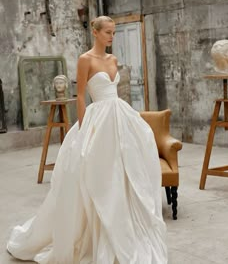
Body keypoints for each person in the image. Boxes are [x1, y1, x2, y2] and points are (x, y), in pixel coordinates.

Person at [7, 16, 168, 263]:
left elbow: (115, 91)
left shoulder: (113, 59)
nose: (112, 37)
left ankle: (124, 226)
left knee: (125, 170)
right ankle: (94, 230)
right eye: (108, 33)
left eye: (114, 33)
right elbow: (81, 96)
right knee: (98, 173)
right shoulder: (85, 60)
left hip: (119, 115)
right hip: (98, 118)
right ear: (95, 32)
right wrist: (83, 129)